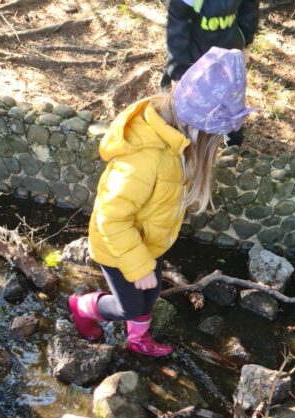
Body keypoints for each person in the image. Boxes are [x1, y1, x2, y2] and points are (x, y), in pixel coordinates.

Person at [69, 47, 253, 357]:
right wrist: (138, 265)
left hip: (149, 240)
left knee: (151, 291)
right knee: (129, 304)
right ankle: (83, 307)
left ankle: (137, 339)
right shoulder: (144, 159)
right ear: (195, 127)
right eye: (212, 139)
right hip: (118, 248)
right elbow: (111, 218)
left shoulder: (174, 142)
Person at [161, 0, 259, 146]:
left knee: (229, 96)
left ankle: (233, 142)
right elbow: (177, 26)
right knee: (187, 106)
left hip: (228, 51)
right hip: (196, 58)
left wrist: (245, 42)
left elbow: (249, 8)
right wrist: (178, 71)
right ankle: (183, 139)